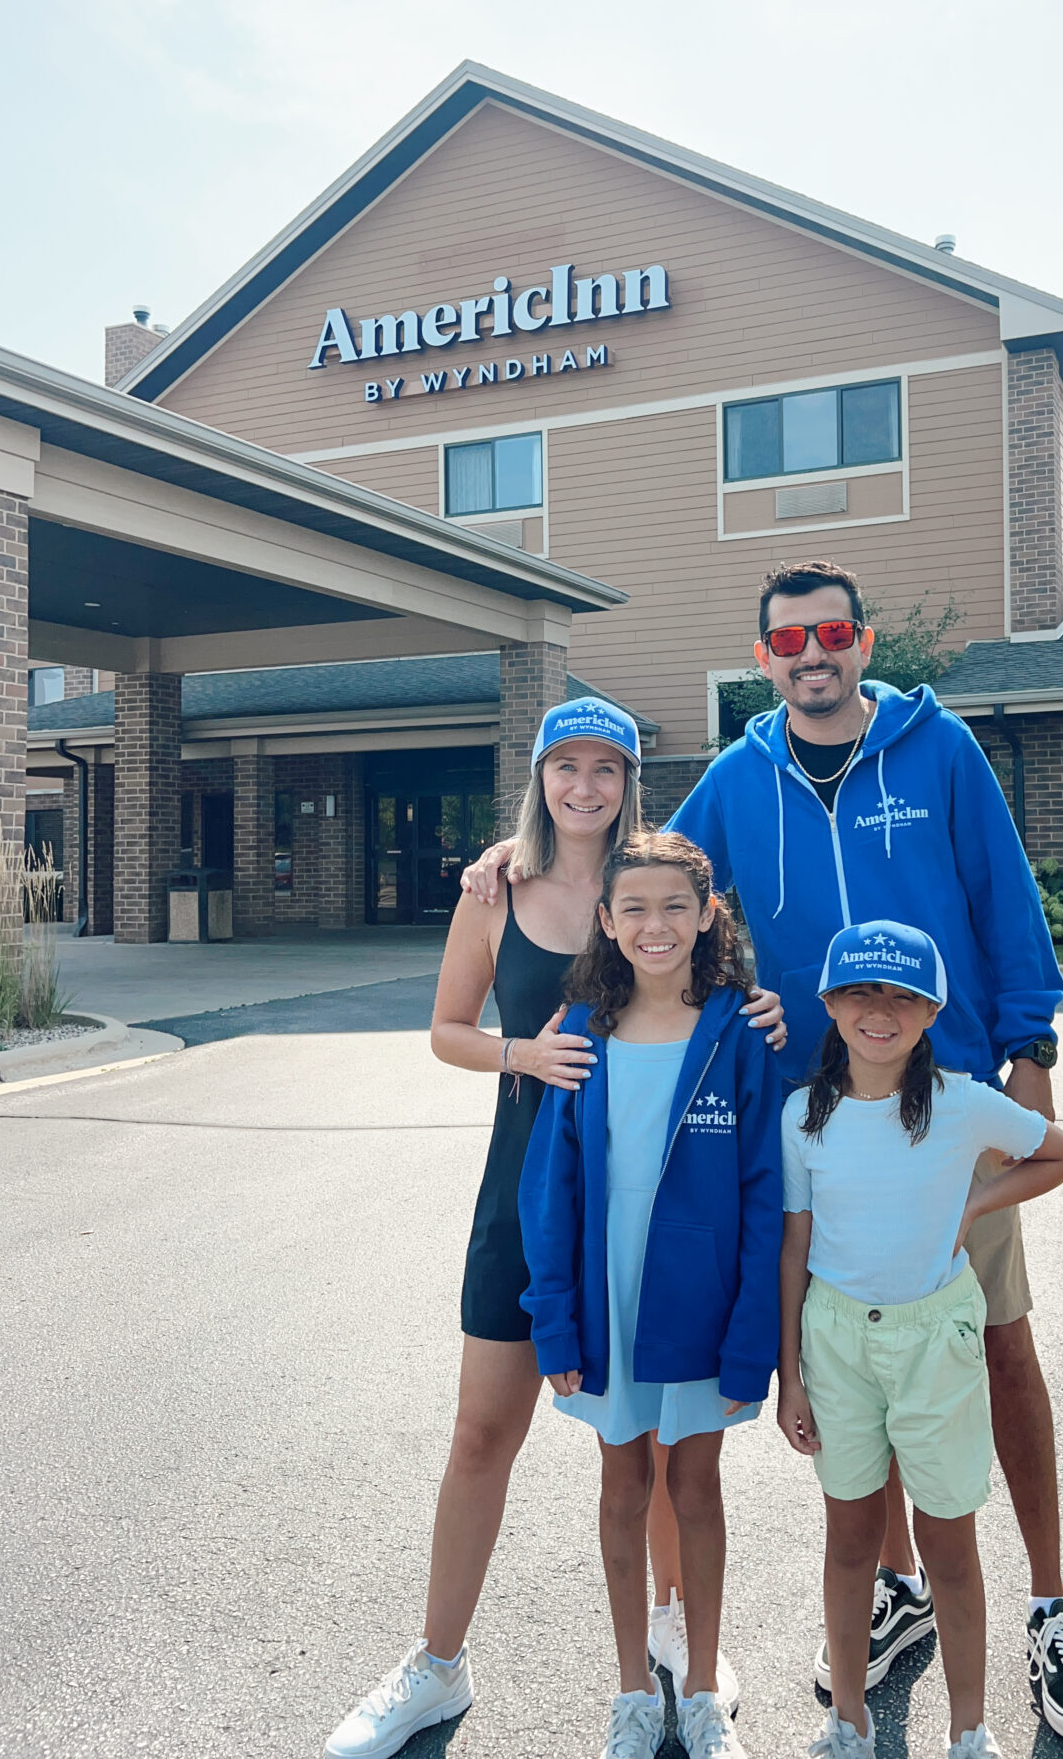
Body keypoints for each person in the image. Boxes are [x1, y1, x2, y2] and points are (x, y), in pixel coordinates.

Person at [464, 557, 1063, 1741]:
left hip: (938, 1102)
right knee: (859, 1358)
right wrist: (522, 866)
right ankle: (902, 1593)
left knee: (996, 1353)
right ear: (763, 659)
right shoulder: (738, 776)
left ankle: (1052, 1606)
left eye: (831, 633)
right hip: (808, 1127)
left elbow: (1003, 896)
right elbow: (647, 877)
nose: (811, 655)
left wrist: (1032, 1045)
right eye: (786, 642)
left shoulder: (940, 753)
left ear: (864, 641)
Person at [324, 702, 783, 1759]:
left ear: (630, 780)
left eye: (606, 767)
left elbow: (721, 988)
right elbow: (445, 1031)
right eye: (565, 766)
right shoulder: (496, 891)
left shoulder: (656, 889)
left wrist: (764, 1014)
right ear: (538, 777)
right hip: (526, 1200)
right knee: (484, 1432)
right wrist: (515, 1057)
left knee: (661, 1446)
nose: (585, 786)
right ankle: (437, 1665)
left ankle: (675, 1632)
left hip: (656, 1217)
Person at [778, 923, 1063, 1759]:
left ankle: (969, 1731)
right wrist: (790, 1379)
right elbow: (795, 1249)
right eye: (862, 993)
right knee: (849, 1536)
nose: (881, 1012)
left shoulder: (961, 1104)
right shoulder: (802, 1117)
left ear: (932, 1011)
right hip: (837, 1344)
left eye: (904, 996)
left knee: (949, 1539)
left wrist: (976, 1206)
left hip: (935, 1343)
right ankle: (848, 1719)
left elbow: (1060, 1153)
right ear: (831, 1005)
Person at [519, 831, 782, 1759]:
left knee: (697, 1485)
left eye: (675, 905)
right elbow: (550, 1190)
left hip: (701, 1305)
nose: (655, 924)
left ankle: (703, 1689)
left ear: (707, 915)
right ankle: (634, 1691)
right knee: (623, 1483)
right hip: (605, 1301)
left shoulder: (739, 1033)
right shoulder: (581, 1031)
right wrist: (554, 1323)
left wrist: (758, 1340)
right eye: (633, 908)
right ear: (606, 921)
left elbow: (764, 1193)